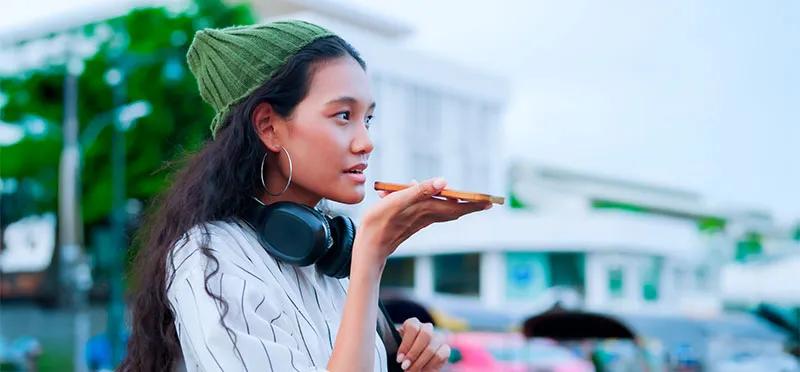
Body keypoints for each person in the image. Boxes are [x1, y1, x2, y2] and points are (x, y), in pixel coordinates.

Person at [119, 19, 492, 372]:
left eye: (368, 119)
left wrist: (405, 362)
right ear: (269, 127)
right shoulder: (210, 261)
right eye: (343, 115)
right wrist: (370, 259)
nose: (365, 142)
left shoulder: (331, 261)